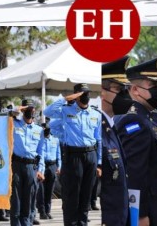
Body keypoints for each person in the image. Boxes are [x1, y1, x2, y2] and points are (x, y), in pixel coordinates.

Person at [114, 58, 157, 226]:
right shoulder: (134, 121)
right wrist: (140, 214)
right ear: (135, 90)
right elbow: (134, 172)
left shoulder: (150, 118)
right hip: (152, 211)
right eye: (153, 87)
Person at [43, 84, 101, 226]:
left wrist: (99, 162)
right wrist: (65, 99)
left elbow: (99, 138)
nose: (86, 96)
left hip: (91, 155)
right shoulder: (66, 110)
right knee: (72, 195)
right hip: (73, 155)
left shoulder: (95, 114)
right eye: (82, 93)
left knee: (86, 194)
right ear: (76, 95)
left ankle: (82, 223)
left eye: (87, 93)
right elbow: (47, 112)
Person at [100, 56, 132, 226]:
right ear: (101, 92)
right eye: (119, 89)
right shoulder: (96, 128)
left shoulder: (111, 125)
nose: (125, 94)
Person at [11, 99, 45, 226]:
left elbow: (41, 151)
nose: (30, 111)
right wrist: (16, 110)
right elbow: (4, 115)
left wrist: (41, 170)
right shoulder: (14, 124)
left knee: (29, 199)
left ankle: (27, 223)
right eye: (27, 108)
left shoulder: (39, 130)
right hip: (16, 165)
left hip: (32, 167)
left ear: (34, 110)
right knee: (16, 199)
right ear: (22, 110)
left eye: (32, 108)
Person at [37, 123, 60, 220]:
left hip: (52, 166)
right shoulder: (39, 139)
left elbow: (58, 153)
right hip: (42, 167)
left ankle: (47, 210)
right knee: (41, 191)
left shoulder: (55, 139)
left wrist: (59, 166)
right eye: (44, 129)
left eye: (48, 129)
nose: (46, 131)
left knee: (50, 190)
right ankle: (42, 212)